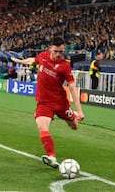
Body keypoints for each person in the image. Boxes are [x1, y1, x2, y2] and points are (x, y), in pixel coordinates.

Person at [11, 36, 85, 169]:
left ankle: (72, 115)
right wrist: (20, 61)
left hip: (60, 103)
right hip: (44, 102)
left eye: (61, 52)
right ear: (50, 48)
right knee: (41, 125)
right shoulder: (43, 56)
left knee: (74, 126)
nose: (58, 54)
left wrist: (79, 110)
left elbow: (73, 88)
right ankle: (51, 157)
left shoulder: (65, 66)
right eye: (56, 51)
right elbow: (32, 60)